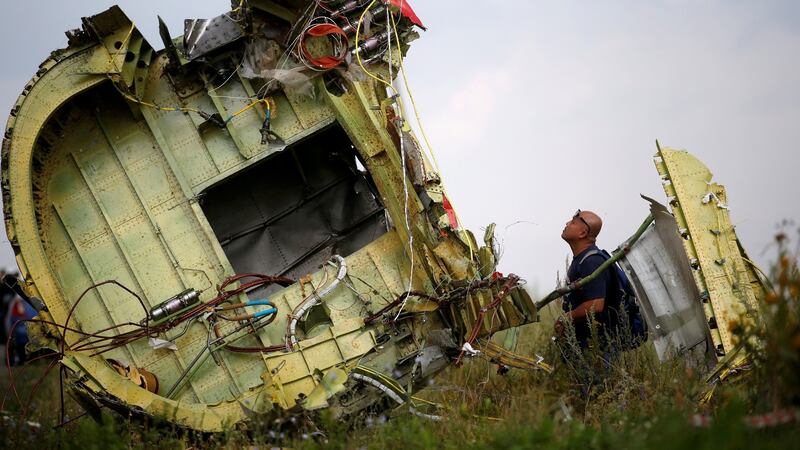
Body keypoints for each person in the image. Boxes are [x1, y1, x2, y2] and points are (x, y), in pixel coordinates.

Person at [554, 209, 622, 351]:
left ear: (583, 233)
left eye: (572, 222)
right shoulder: (582, 259)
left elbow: (595, 305)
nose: (567, 223)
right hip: (588, 342)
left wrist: (565, 317)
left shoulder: (591, 262)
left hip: (597, 346)